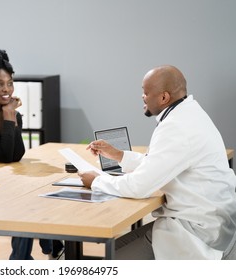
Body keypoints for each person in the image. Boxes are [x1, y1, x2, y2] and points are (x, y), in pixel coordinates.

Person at [79, 65, 236, 259]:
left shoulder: (176, 127)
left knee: (110, 261)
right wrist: (119, 155)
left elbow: (139, 187)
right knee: (111, 251)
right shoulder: (190, 113)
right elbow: (161, 163)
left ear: (163, 98)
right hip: (216, 223)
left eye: (145, 92)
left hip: (195, 231)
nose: (142, 97)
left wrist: (96, 181)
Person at [0, 48, 64, 260]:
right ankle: (35, 255)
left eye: (9, 83)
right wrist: (10, 116)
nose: (6, 89)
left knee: (38, 195)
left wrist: (12, 117)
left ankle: (34, 255)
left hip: (2, 183)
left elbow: (17, 154)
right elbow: (5, 156)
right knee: (26, 205)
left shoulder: (13, 114)